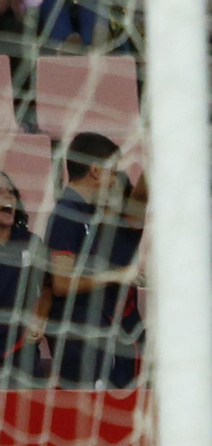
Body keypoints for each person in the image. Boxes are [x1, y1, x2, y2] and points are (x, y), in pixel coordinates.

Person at [44, 132, 143, 387]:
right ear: (96, 171)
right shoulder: (67, 214)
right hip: (78, 336)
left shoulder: (86, 213)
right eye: (113, 171)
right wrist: (118, 275)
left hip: (92, 331)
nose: (115, 180)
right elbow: (61, 284)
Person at [0, 171, 47, 382]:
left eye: (11, 193)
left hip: (21, 353)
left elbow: (49, 288)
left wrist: (40, 320)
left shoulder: (32, 244)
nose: (8, 199)